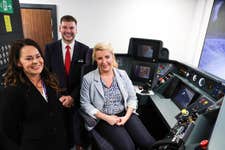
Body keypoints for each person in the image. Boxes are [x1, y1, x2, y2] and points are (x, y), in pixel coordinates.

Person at [80, 42, 156, 150]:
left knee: (149, 143)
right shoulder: (88, 78)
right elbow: (85, 104)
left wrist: (126, 117)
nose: (104, 62)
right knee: (128, 147)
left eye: (107, 57)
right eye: (100, 58)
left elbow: (132, 98)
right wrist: (107, 118)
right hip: (104, 118)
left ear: (112, 57)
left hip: (125, 113)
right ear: (96, 60)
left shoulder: (122, 74)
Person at [0, 39, 68, 150]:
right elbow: (7, 134)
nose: (36, 61)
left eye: (38, 56)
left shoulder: (50, 81)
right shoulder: (12, 92)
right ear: (18, 62)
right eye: (29, 58)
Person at [45, 15, 90, 149]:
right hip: (57, 99)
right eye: (65, 27)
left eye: (71, 28)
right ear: (59, 28)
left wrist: (72, 97)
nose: (68, 31)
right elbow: (47, 75)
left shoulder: (85, 50)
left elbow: (85, 78)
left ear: (76, 30)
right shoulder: (50, 48)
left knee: (77, 131)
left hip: (77, 99)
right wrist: (60, 97)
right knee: (60, 132)